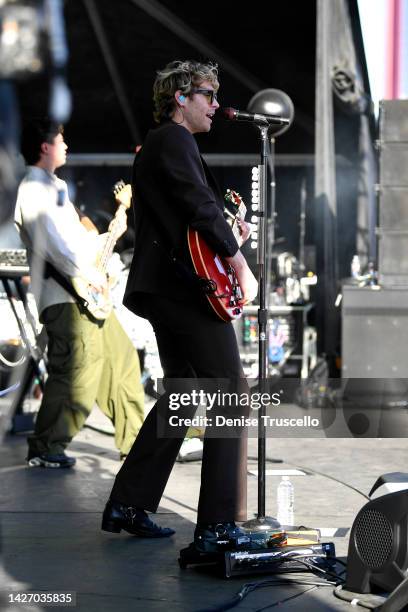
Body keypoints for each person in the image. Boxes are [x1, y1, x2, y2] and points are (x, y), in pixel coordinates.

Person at [102, 60, 258, 550]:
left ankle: (129, 501)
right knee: (230, 393)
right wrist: (237, 260)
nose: (217, 104)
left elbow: (188, 216)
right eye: (208, 95)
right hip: (184, 290)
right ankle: (215, 527)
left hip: (168, 288)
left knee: (185, 395)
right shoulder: (173, 140)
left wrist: (230, 229)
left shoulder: (164, 145)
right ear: (180, 98)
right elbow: (196, 203)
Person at [14, 118, 145, 468]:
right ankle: (46, 447)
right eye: (61, 140)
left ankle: (135, 442)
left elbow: (78, 245)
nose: (66, 146)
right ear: (45, 146)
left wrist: (110, 237)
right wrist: (89, 275)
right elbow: (56, 247)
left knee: (122, 361)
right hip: (67, 298)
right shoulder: (34, 189)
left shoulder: (54, 188)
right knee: (76, 374)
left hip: (86, 294)